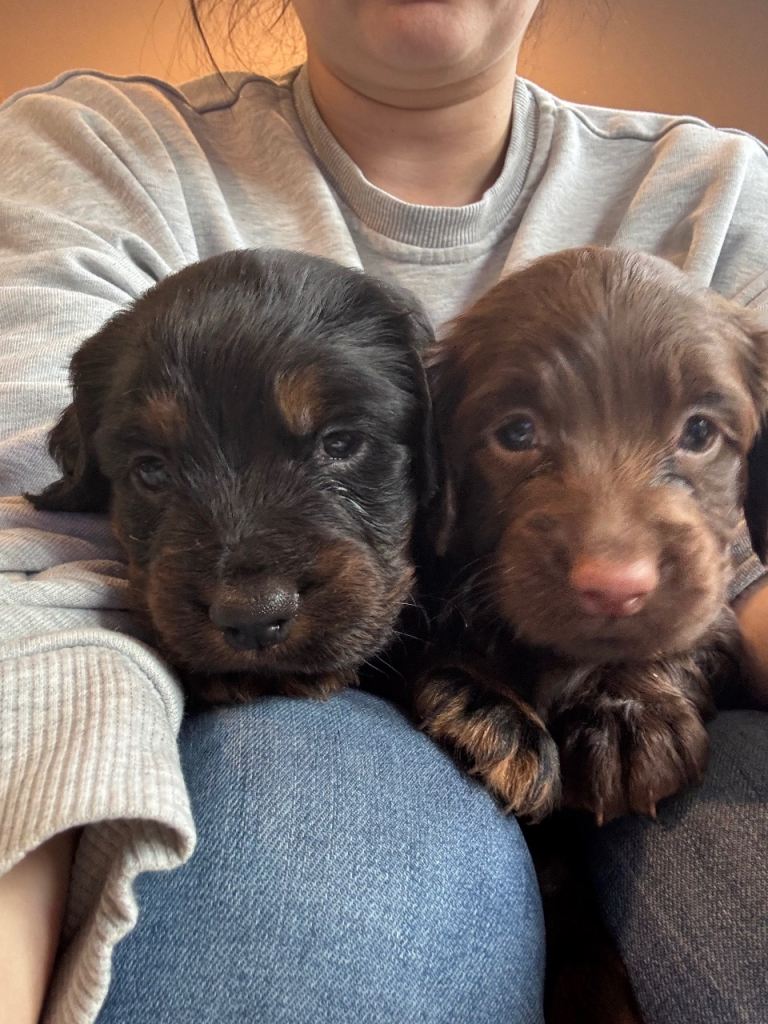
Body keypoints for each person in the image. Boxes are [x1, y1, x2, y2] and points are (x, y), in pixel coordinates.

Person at [0, 1, 766, 1021]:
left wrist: (663, 665)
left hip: (692, 722)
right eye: (517, 437)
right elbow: (35, 564)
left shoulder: (728, 189)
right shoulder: (94, 150)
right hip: (290, 746)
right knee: (317, 800)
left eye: (344, 446)